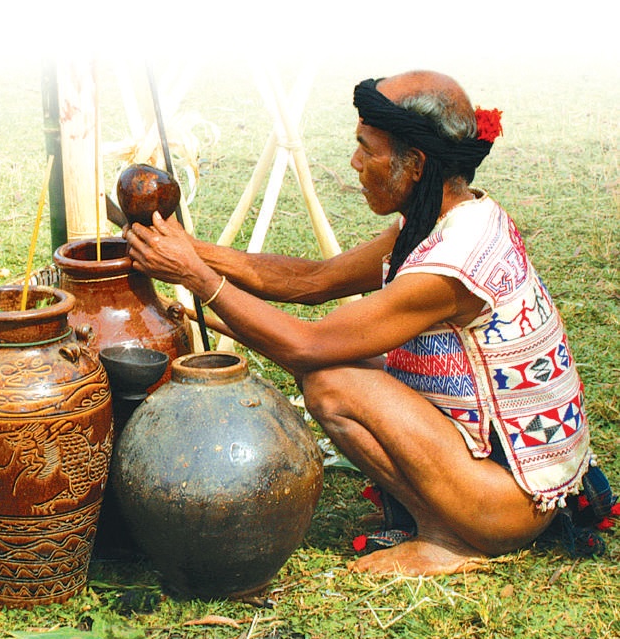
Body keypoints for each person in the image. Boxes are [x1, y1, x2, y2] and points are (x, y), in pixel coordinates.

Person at [125, 69, 610, 576]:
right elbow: (313, 281)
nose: (354, 163)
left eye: (366, 148)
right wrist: (192, 249)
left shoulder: (454, 263)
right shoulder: (450, 220)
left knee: (331, 381)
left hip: (507, 505)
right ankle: (449, 522)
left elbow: (306, 348)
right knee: (347, 362)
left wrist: (196, 276)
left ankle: (449, 538)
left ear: (415, 164)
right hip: (512, 484)